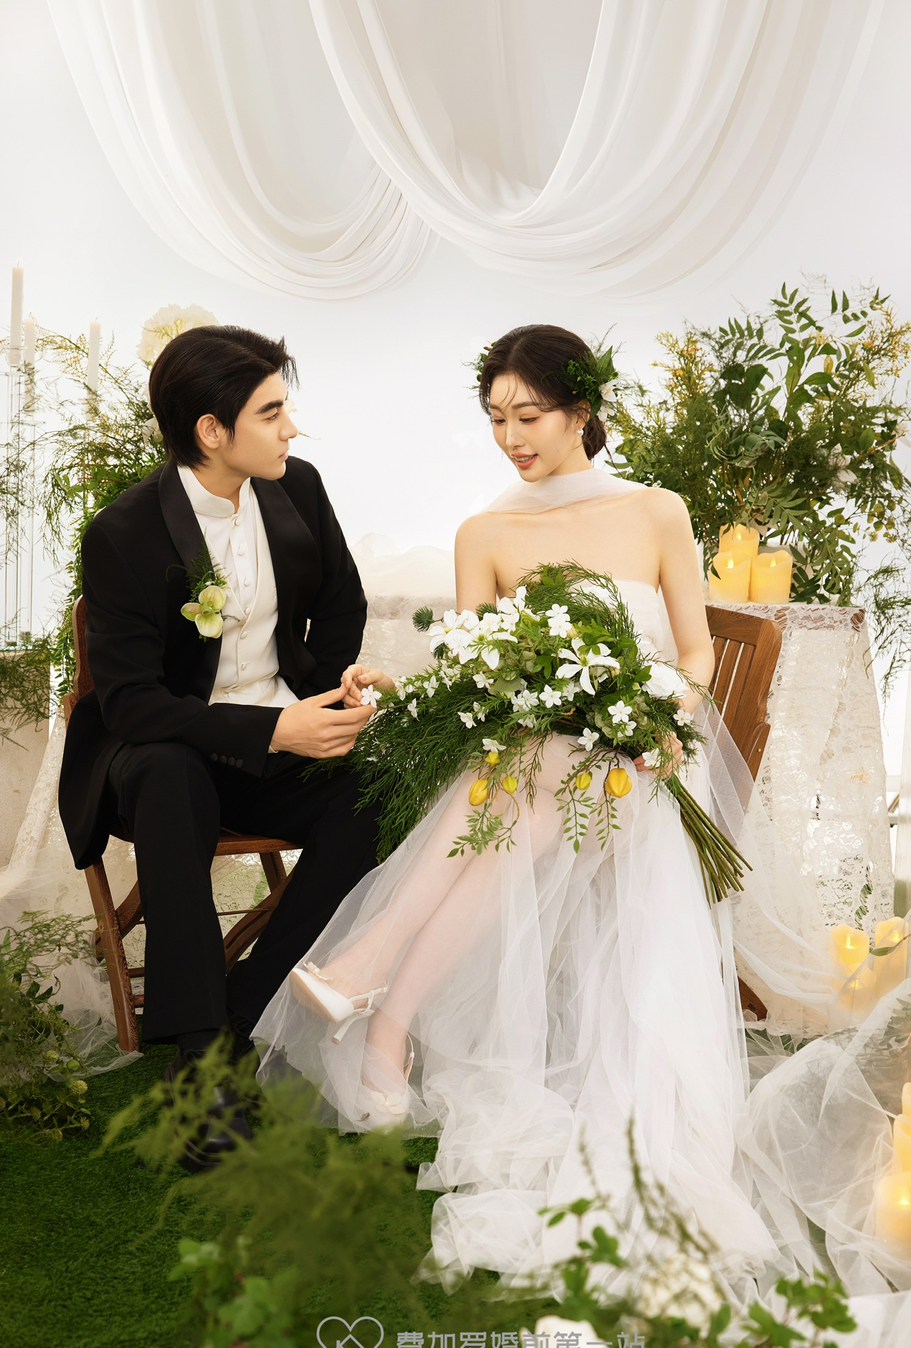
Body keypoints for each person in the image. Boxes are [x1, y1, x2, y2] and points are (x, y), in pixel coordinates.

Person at [254, 323, 779, 1279]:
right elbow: (480, 674)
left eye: (528, 415)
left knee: (528, 778)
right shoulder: (486, 533)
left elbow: (696, 649)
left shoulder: (657, 511)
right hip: (538, 768)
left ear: (582, 411)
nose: (511, 438)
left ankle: (374, 985)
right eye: (496, 418)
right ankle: (386, 1017)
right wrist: (408, 689)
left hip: (642, 766)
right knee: (519, 770)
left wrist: (665, 708)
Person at [58, 325, 379, 1166]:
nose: (291, 427)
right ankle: (200, 1067)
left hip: (275, 741)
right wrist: (272, 728)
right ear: (211, 430)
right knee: (171, 776)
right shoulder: (124, 531)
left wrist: (324, 697)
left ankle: (240, 1011)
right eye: (271, 412)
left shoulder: (297, 487)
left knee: (379, 791)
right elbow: (132, 703)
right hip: (158, 751)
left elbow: (342, 605)